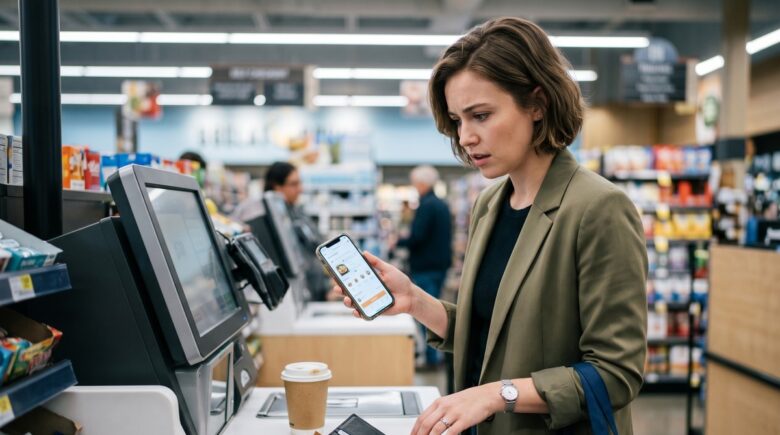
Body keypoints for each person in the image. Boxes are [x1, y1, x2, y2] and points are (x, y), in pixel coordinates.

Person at [334, 17, 647, 435]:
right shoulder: (489, 205)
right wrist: (415, 301)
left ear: (537, 103)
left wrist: (497, 394)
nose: (465, 137)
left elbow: (616, 373)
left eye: (480, 115)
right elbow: (492, 334)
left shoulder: (599, 208)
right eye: (457, 120)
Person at [395, 165, 453, 368]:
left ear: (421, 183)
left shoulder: (426, 206)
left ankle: (431, 358)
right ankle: (433, 356)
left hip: (426, 266)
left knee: (425, 313)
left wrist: (399, 242)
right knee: (434, 308)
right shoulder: (441, 204)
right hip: (439, 265)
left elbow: (418, 236)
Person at [265, 161, 329, 301]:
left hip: (315, 289)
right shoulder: (271, 219)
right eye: (294, 184)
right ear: (277, 187)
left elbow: (317, 242)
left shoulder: (298, 212)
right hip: (297, 294)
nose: (300, 189)